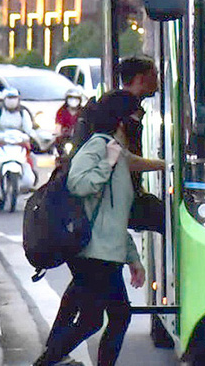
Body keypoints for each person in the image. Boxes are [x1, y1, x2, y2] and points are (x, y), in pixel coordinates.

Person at [33, 92, 149, 366]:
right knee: (97, 319)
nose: (140, 120)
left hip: (106, 252)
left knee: (107, 317)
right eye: (136, 114)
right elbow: (78, 183)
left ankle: (50, 360)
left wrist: (133, 258)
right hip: (93, 253)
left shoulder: (114, 150)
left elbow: (114, 215)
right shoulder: (99, 146)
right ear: (120, 120)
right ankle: (46, 362)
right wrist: (106, 164)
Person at [0, 88, 39, 194]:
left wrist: (35, 136)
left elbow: (28, 129)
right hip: (0, 143)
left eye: (14, 98)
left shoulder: (23, 112)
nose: (12, 100)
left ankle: (30, 184)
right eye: (9, 98)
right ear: (4, 99)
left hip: (18, 144)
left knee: (32, 159)